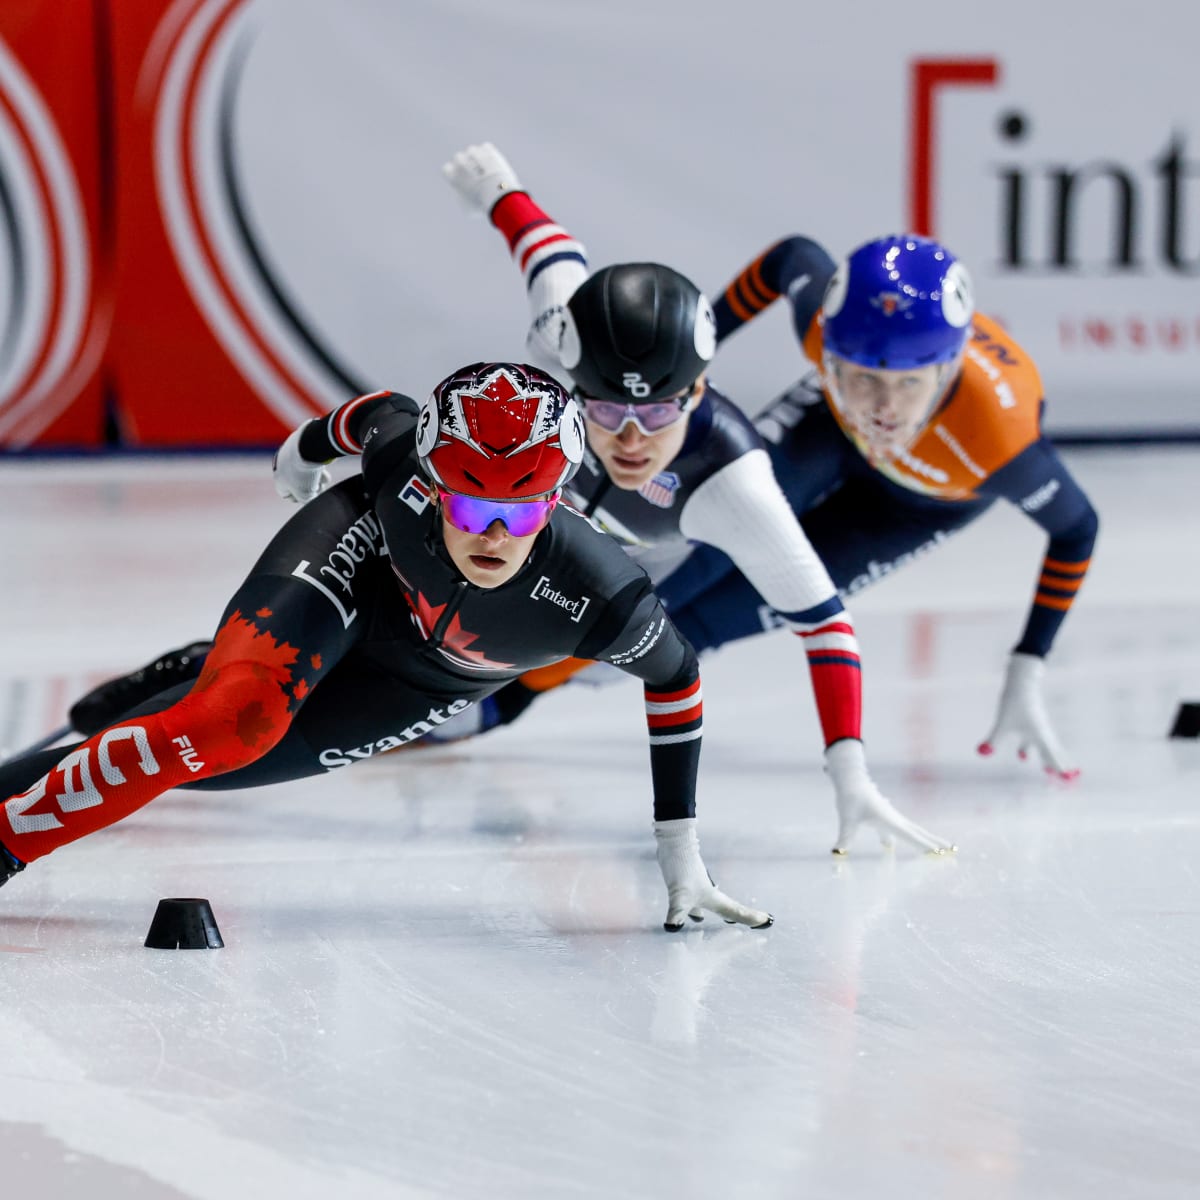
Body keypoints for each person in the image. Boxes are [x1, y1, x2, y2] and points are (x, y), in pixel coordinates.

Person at [0, 362, 772, 933]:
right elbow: (377, 414)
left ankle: (202, 671)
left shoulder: (601, 593)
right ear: (432, 484)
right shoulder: (403, 458)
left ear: (557, 500)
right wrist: (305, 452)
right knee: (232, 724)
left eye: (520, 512)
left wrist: (678, 849)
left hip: (428, 679)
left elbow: (677, 678)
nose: (492, 535)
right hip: (358, 563)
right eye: (468, 507)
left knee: (205, 764)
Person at [431, 143, 953, 856]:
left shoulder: (734, 482)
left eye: (658, 412)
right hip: (543, 522)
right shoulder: (561, 340)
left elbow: (826, 624)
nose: (631, 440)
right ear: (574, 380)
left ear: (698, 390)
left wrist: (850, 772)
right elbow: (548, 252)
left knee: (589, 655)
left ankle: (481, 704)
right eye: (606, 410)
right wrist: (499, 191)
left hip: (630, 553)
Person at [655, 233, 1099, 777]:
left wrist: (1028, 663)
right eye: (866, 378)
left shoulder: (999, 441)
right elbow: (792, 256)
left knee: (700, 625)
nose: (885, 409)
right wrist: (689, 359)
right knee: (693, 552)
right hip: (829, 428)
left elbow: (1078, 529)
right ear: (829, 353)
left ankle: (555, 680)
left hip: (919, 507)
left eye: (910, 383)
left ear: (948, 371)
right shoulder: (818, 324)